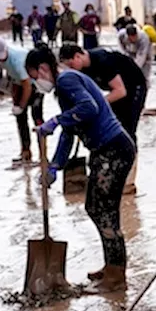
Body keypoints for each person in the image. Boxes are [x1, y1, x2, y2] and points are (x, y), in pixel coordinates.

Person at [29, 48, 135, 291]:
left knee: (103, 210)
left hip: (114, 149)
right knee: (97, 207)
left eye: (35, 75)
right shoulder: (64, 89)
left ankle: (116, 276)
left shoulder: (66, 80)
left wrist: (56, 121)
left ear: (44, 68)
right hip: (104, 150)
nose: (36, 82)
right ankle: (112, 266)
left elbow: (89, 108)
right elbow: (71, 131)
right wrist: (55, 165)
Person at [58, 43, 148, 194]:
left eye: (71, 64)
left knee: (127, 130)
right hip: (117, 91)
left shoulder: (103, 61)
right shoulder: (82, 69)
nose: (71, 69)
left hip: (133, 89)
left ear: (78, 56)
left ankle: (129, 181)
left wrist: (97, 104)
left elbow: (120, 91)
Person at [0, 38, 41, 167]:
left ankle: (43, 155)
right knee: (20, 119)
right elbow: (13, 80)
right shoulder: (0, 60)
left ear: (6, 50)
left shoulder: (17, 60)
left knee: (37, 118)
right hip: (20, 83)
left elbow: (27, 86)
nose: (0, 59)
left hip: (35, 84)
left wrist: (22, 105)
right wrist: (15, 103)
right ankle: (26, 152)